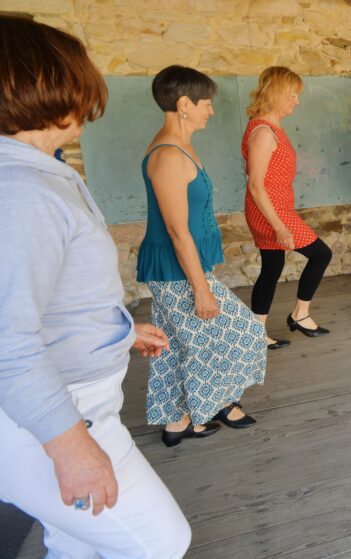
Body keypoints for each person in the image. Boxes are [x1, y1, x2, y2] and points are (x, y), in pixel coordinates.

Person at [0, 16, 190, 557]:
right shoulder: (19, 192)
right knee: (160, 542)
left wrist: (120, 330)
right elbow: (7, 339)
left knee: (73, 540)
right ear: (47, 86)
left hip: (72, 401)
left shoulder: (35, 174)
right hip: (52, 415)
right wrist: (68, 445)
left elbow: (55, 296)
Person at [137, 65, 267, 445]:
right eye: (206, 104)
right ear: (184, 104)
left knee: (175, 343)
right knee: (241, 333)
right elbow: (178, 232)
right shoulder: (168, 156)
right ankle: (212, 405)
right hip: (174, 269)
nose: (211, 111)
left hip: (179, 268)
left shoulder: (180, 146)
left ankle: (177, 421)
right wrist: (201, 288)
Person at [243, 66, 333, 349]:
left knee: (272, 267)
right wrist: (280, 226)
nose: (297, 101)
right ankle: (300, 314)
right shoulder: (264, 131)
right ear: (278, 93)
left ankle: (257, 333)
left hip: (276, 207)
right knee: (321, 254)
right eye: (293, 95)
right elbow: (256, 185)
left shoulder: (269, 127)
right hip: (271, 211)